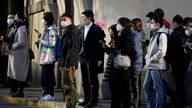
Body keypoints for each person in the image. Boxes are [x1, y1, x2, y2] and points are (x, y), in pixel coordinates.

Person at [102, 17, 135, 108]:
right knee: (117, 92)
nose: (118, 26)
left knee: (123, 92)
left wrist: (117, 51)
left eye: (119, 24)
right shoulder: (121, 35)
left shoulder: (126, 34)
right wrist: (107, 49)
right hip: (118, 69)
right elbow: (113, 53)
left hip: (123, 69)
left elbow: (126, 50)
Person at [78, 10, 105, 107]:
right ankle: (87, 98)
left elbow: (97, 45)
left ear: (89, 18)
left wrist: (95, 58)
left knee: (92, 80)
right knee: (85, 80)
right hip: (82, 57)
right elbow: (81, 43)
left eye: (83, 17)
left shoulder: (96, 29)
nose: (82, 19)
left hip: (92, 58)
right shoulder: (82, 29)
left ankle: (94, 100)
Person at [143, 14, 167, 108]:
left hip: (156, 65)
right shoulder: (155, 33)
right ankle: (151, 105)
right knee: (147, 86)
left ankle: (159, 106)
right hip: (151, 65)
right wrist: (147, 58)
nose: (150, 24)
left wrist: (152, 59)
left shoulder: (162, 35)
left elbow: (162, 52)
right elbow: (151, 50)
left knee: (158, 87)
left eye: (152, 23)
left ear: (158, 24)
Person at [167, 15, 191, 108]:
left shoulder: (175, 34)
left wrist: (168, 61)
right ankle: (180, 100)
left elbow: (170, 50)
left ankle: (181, 100)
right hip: (185, 62)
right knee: (180, 82)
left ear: (175, 23)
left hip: (176, 62)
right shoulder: (186, 33)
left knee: (179, 82)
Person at [59, 13, 80, 108]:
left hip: (69, 62)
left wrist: (67, 64)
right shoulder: (67, 30)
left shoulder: (73, 31)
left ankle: (70, 105)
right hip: (65, 61)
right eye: (61, 19)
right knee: (66, 83)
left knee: (68, 84)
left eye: (64, 19)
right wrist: (61, 63)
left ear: (70, 20)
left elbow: (72, 48)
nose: (62, 21)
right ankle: (70, 103)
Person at [6, 12, 29, 97]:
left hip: (20, 55)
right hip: (17, 54)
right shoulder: (18, 28)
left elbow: (21, 42)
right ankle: (17, 90)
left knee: (20, 73)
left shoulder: (22, 28)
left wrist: (12, 45)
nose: (15, 19)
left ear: (21, 19)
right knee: (16, 73)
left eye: (16, 17)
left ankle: (20, 91)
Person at [36, 12, 57, 101]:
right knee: (45, 76)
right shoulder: (46, 29)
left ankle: (50, 93)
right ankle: (46, 93)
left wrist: (41, 40)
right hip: (44, 56)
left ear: (47, 20)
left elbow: (51, 44)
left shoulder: (51, 30)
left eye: (43, 18)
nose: (42, 20)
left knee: (48, 76)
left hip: (48, 57)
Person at [0, 12, 16, 88]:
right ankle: (5, 82)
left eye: (11, 18)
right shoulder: (9, 27)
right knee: (5, 67)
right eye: (9, 18)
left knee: (8, 68)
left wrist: (5, 38)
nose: (10, 19)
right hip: (5, 51)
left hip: (9, 51)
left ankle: (8, 83)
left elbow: (13, 39)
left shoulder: (14, 28)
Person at [131, 18, 144, 108]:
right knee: (137, 85)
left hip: (135, 63)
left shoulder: (135, 36)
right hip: (140, 62)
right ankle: (137, 102)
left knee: (134, 86)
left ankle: (134, 104)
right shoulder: (141, 34)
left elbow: (136, 52)